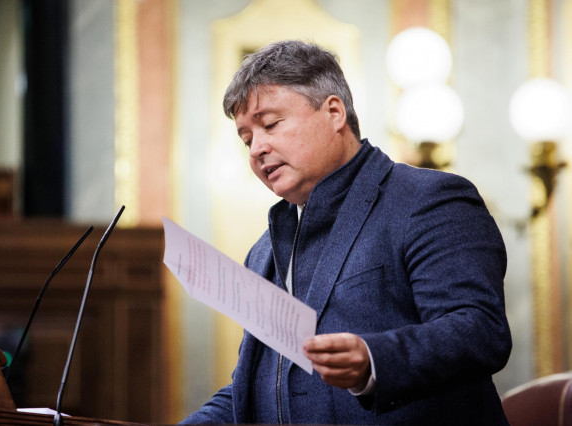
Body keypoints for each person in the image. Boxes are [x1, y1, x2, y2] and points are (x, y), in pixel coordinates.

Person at [181, 40, 511, 425]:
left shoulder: (427, 200)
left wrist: (373, 361)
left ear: (334, 111)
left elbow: (479, 331)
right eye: (247, 138)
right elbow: (260, 388)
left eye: (270, 124)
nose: (257, 149)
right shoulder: (262, 254)